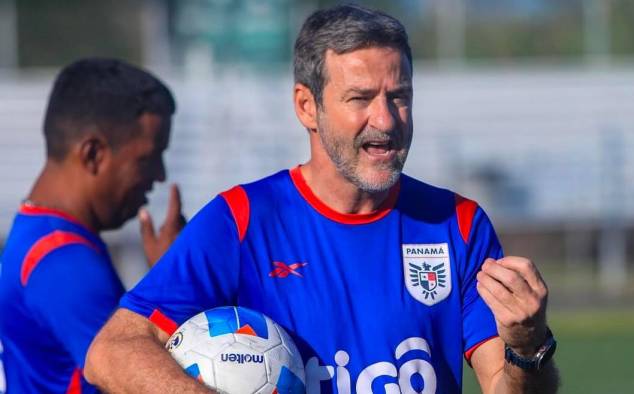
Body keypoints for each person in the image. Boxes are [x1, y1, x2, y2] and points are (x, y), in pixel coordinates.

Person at [85, 5, 560, 393]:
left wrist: (526, 345)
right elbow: (113, 351)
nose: (387, 119)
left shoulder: (455, 223)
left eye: (399, 96)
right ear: (306, 106)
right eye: (360, 98)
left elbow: (507, 385)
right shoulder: (242, 221)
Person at [0, 58, 185, 393]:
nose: (159, 175)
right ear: (93, 154)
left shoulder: (40, 235)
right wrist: (174, 278)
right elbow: (141, 380)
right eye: (148, 157)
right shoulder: (63, 263)